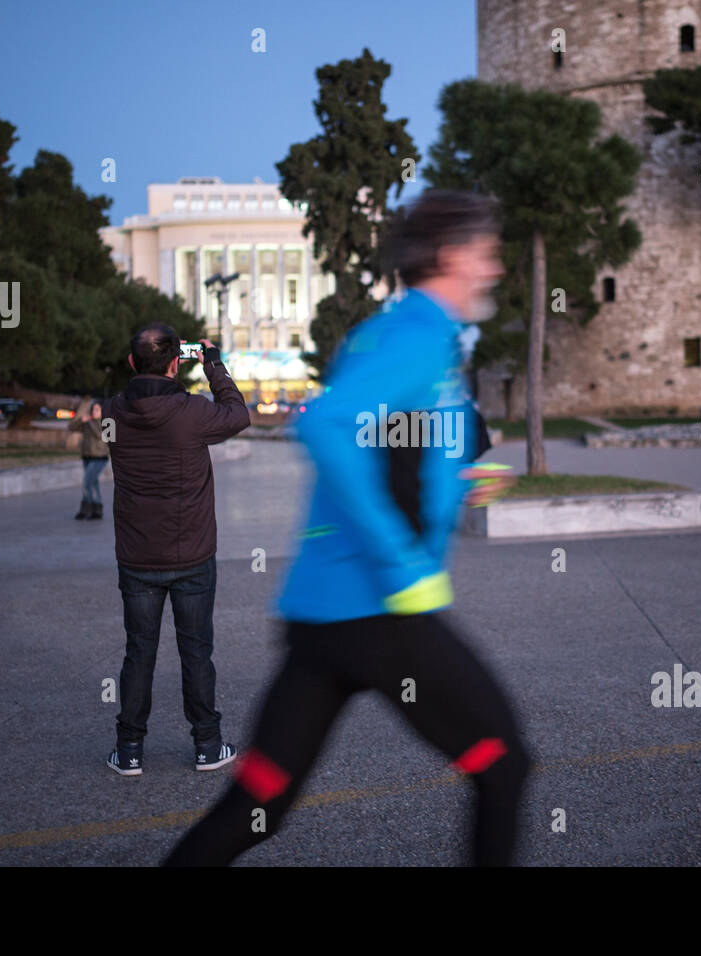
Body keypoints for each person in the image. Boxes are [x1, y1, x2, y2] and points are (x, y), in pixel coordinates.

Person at [162, 190, 530, 868]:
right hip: (383, 616)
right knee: (503, 762)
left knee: (258, 805)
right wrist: (405, 567)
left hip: (323, 621)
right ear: (451, 255)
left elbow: (389, 449)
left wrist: (461, 482)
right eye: (487, 254)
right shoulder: (418, 338)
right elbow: (329, 426)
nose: (495, 270)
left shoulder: (400, 334)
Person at [99, 326, 250, 775]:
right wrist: (213, 365)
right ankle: (207, 746)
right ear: (175, 362)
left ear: (130, 363)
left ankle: (129, 751)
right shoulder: (191, 412)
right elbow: (238, 415)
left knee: (138, 652)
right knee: (196, 651)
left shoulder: (113, 413)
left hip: (137, 556)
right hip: (193, 555)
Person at [68, 399, 109, 520]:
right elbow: (71, 427)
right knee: (93, 483)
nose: (94, 412)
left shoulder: (108, 422)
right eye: (93, 409)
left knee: (87, 482)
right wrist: (81, 420)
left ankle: (85, 509)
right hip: (87, 456)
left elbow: (102, 436)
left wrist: (91, 422)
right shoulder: (87, 421)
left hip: (100, 458)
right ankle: (97, 509)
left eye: (97, 409)